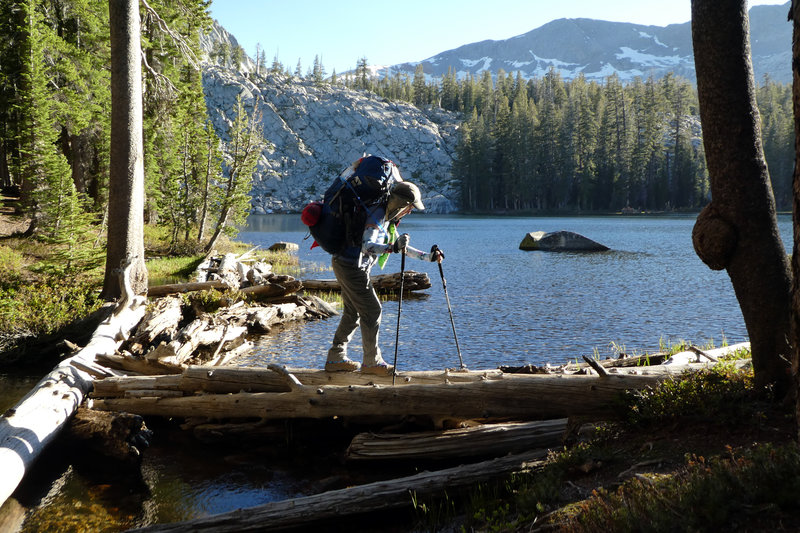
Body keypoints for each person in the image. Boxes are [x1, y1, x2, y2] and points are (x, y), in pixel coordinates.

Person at [325, 180, 445, 375]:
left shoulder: (386, 218)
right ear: (401, 203)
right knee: (372, 311)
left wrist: (428, 257)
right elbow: (367, 245)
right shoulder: (377, 216)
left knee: (352, 312)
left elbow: (399, 246)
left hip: (345, 263)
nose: (409, 212)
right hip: (351, 267)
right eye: (410, 207)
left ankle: (335, 357)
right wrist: (392, 248)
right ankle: (372, 362)